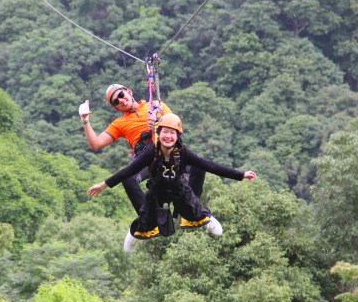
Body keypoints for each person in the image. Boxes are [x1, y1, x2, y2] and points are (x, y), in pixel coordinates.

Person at [87, 113, 257, 252]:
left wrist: (241, 174)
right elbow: (128, 171)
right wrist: (103, 185)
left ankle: (206, 218)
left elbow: (209, 165)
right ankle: (134, 233)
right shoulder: (150, 152)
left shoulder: (183, 152)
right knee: (147, 220)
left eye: (172, 133)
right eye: (165, 132)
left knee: (193, 209)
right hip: (156, 192)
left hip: (178, 188)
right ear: (158, 134)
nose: (168, 136)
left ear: (177, 136)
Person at [79, 84, 205, 215]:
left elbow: (178, 129)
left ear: (128, 91)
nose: (121, 101)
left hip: (169, 152)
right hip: (147, 159)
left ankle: (190, 210)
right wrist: (85, 121)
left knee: (199, 164)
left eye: (121, 95)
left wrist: (158, 122)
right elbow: (96, 143)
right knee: (128, 179)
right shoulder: (119, 123)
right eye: (116, 102)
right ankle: (149, 217)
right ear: (115, 107)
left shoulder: (156, 105)